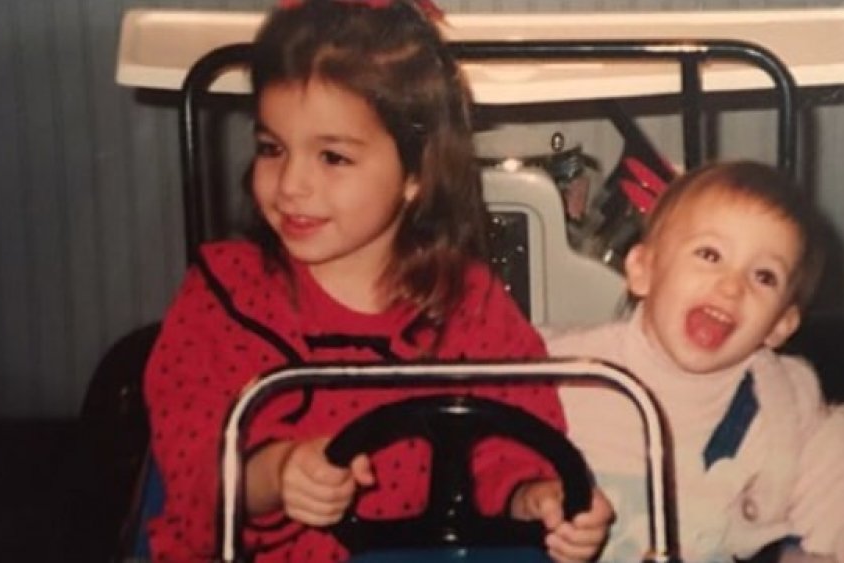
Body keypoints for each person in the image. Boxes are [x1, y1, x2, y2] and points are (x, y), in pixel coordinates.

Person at [143, 1, 611, 561]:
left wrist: (540, 498)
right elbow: (189, 461)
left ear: (416, 174)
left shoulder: (467, 304)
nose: (291, 183)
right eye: (272, 149)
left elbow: (512, 442)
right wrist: (275, 473)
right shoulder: (225, 295)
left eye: (333, 158)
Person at [546, 161, 844, 563]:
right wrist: (534, 495)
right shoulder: (567, 369)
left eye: (764, 276)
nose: (731, 285)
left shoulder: (783, 407)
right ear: (643, 270)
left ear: (781, 324)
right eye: (710, 254)